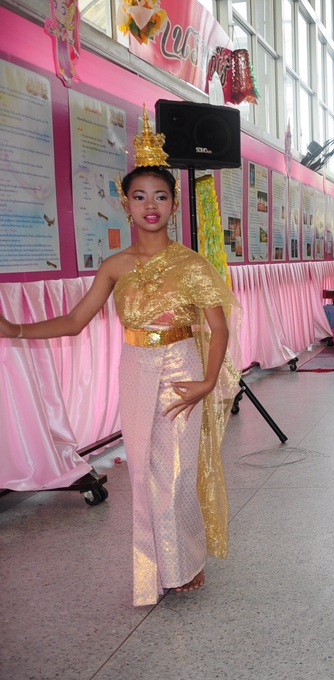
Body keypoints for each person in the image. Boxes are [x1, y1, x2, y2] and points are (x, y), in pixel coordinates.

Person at [0, 109, 237, 605]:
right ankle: (158, 567)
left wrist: (208, 381)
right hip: (134, 368)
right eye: (140, 196)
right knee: (144, 473)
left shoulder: (193, 264)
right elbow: (74, 321)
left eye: (160, 196)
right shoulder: (115, 266)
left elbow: (218, 328)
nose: (150, 205)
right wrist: (14, 329)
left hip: (182, 367)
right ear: (124, 203)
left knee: (176, 471)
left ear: (174, 204)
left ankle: (184, 562)